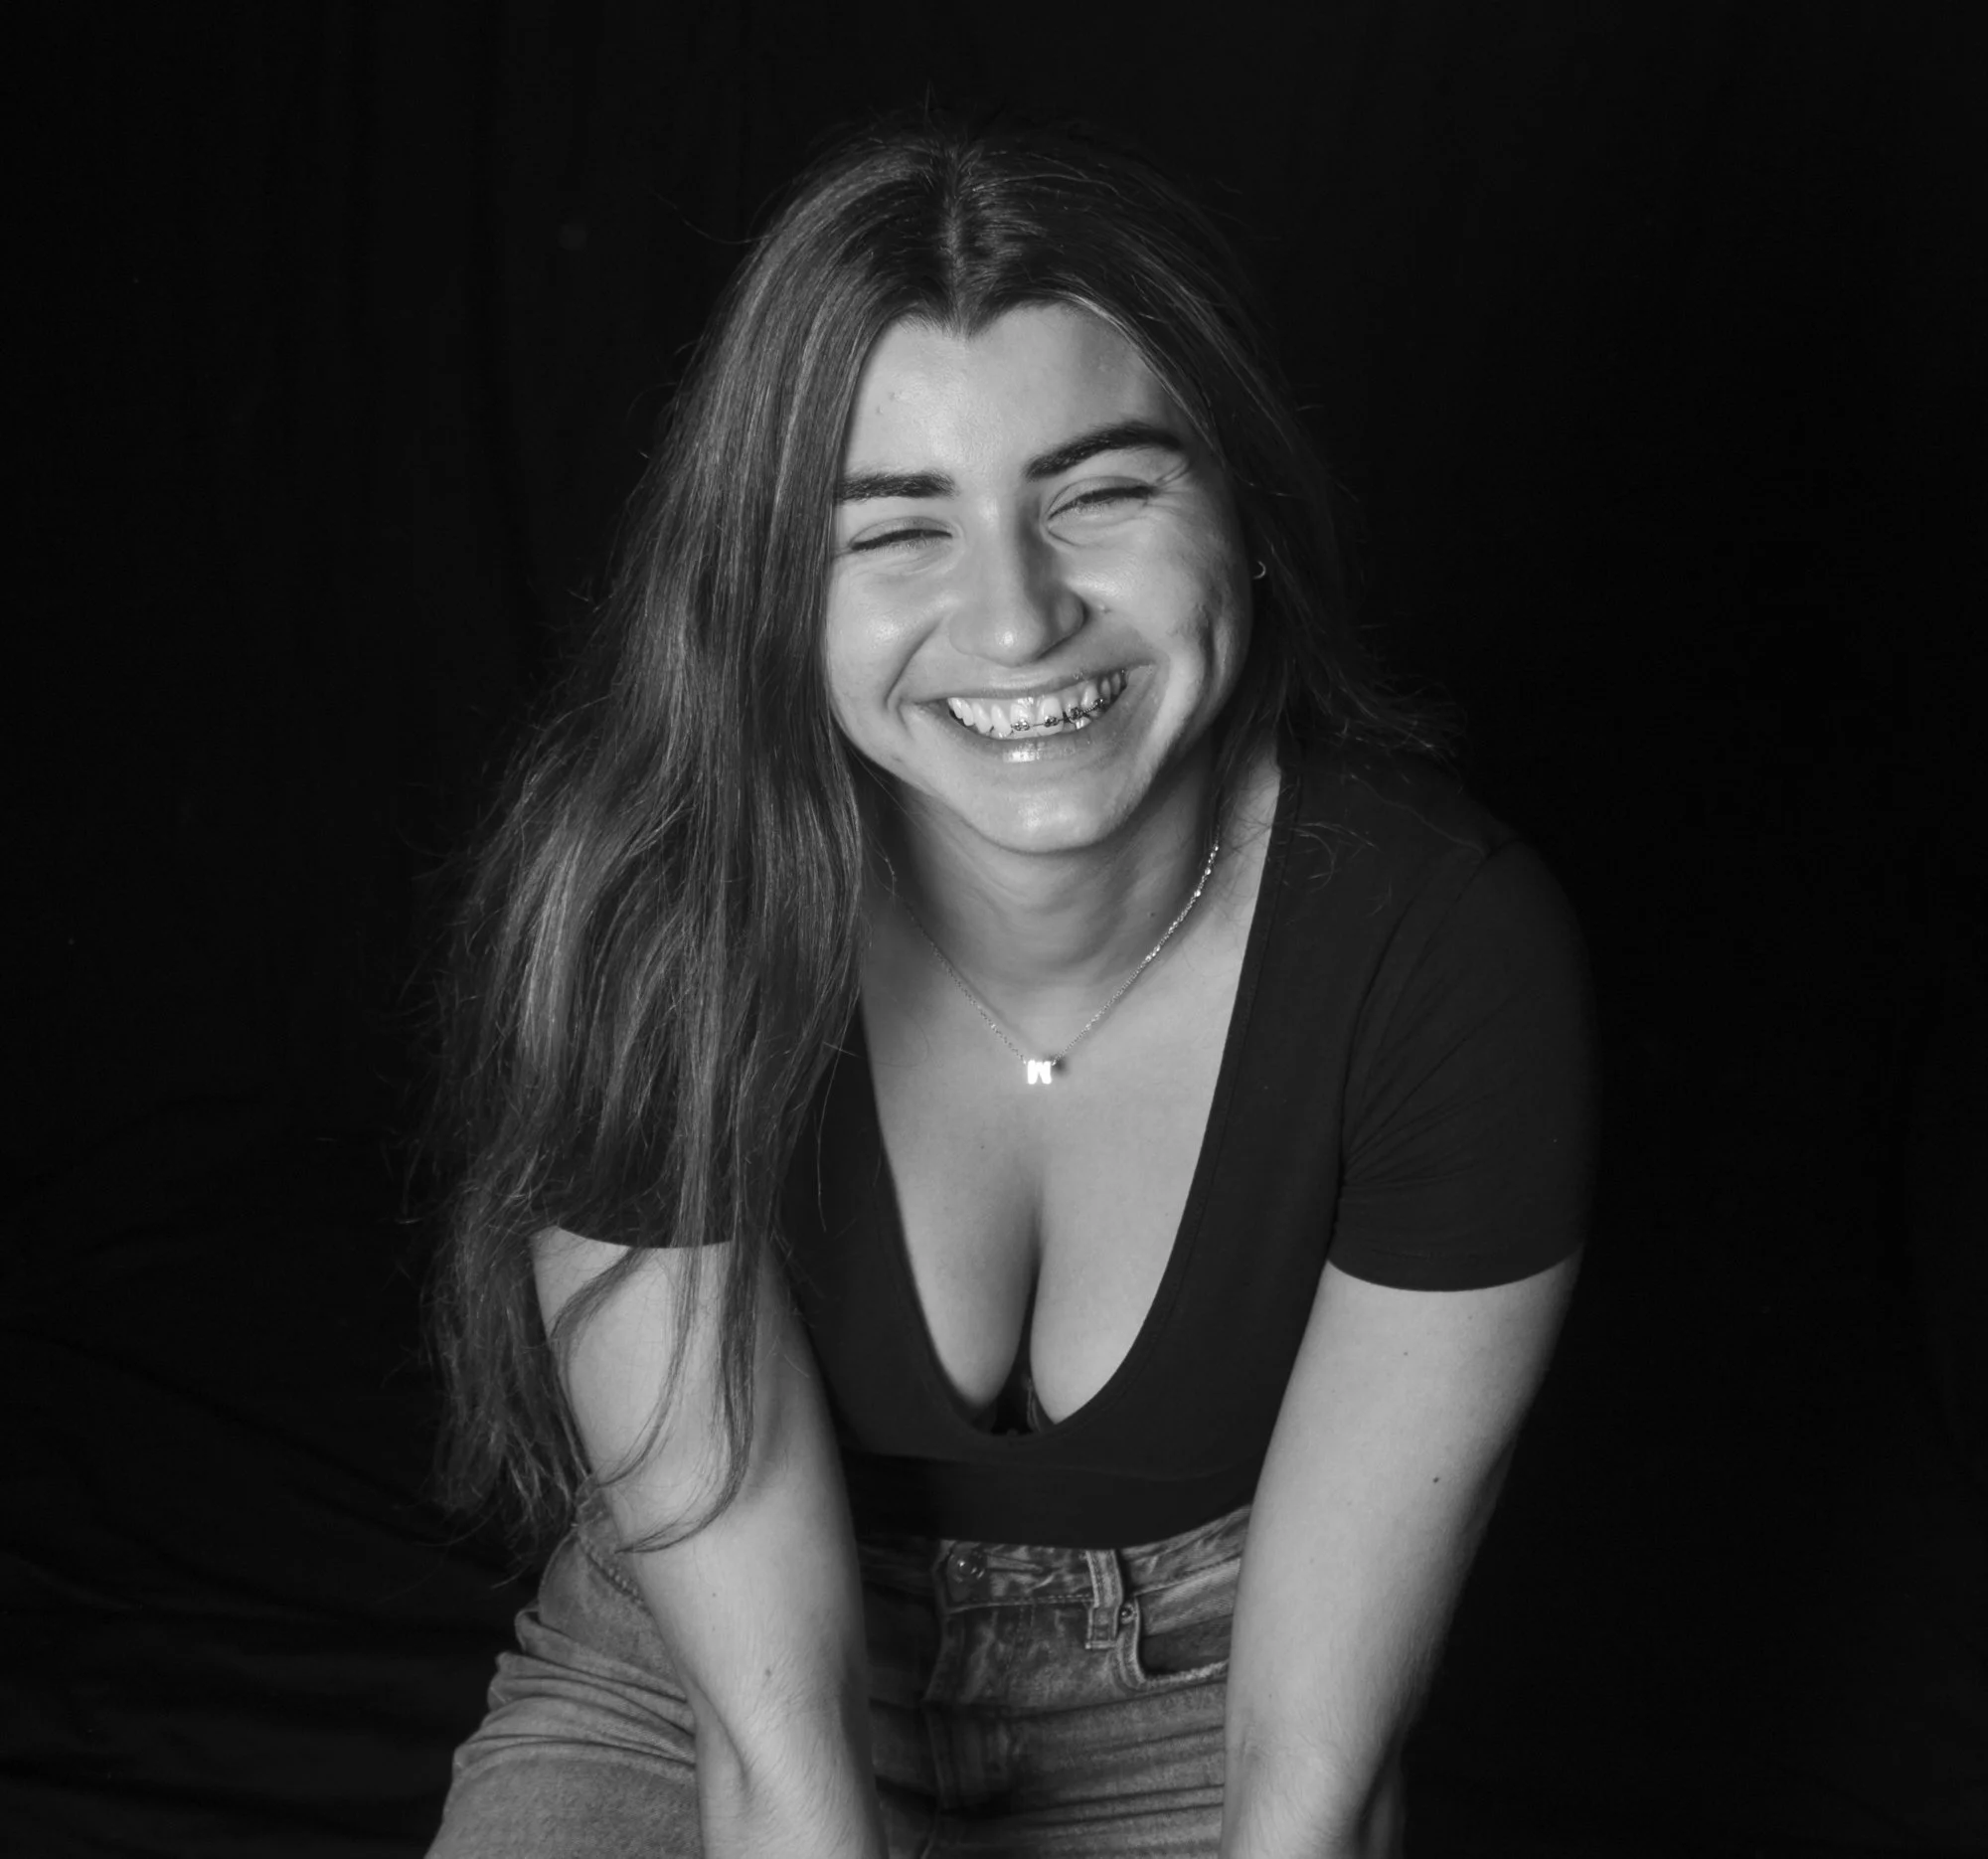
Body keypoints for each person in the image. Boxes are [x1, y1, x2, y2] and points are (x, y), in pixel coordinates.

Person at [424, 114, 1597, 1859]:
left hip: (1208, 1697)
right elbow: (782, 1772)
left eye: (1101, 492)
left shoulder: (1444, 954)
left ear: (1247, 516)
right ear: (772, 598)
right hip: (696, 1690)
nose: (1018, 616)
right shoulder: (655, 930)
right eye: (895, 530)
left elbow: (1313, 1795)